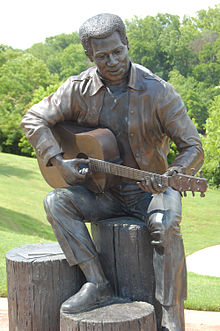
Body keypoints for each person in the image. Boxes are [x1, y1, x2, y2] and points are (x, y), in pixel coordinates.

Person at [21, 13, 204, 330]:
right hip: (103, 194)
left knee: (166, 224)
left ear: (126, 44)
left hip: (153, 191)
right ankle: (97, 283)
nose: (113, 61)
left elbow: (193, 147)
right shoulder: (78, 89)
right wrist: (58, 160)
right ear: (90, 56)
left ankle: (171, 311)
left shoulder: (159, 92)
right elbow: (33, 119)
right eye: (102, 56)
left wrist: (175, 171)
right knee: (56, 202)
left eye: (118, 51)